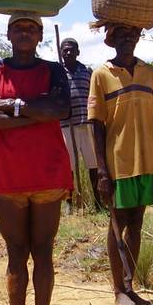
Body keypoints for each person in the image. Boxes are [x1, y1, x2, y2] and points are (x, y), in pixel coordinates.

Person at [0, 11, 73, 305]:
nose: (25, 32)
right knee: (16, 252)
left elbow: (60, 109)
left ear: (40, 35)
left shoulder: (53, 70)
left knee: (43, 250)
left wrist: (11, 105)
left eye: (31, 28)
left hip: (47, 174)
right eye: (19, 28)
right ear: (9, 34)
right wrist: (33, 112)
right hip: (6, 175)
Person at [89, 23, 153, 305]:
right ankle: (118, 290)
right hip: (117, 162)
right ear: (111, 40)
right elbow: (96, 125)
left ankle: (130, 283)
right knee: (117, 223)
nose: (127, 40)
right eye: (121, 36)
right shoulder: (102, 74)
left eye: (132, 35)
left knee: (136, 223)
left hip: (147, 161)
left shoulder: (150, 73)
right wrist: (101, 170)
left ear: (138, 38)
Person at [60, 38, 101, 211]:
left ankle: (98, 201)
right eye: (65, 50)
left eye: (71, 50)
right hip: (66, 125)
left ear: (78, 52)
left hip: (86, 123)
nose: (68, 53)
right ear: (61, 53)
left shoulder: (87, 71)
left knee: (93, 164)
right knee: (68, 166)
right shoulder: (58, 73)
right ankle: (69, 202)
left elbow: (94, 96)